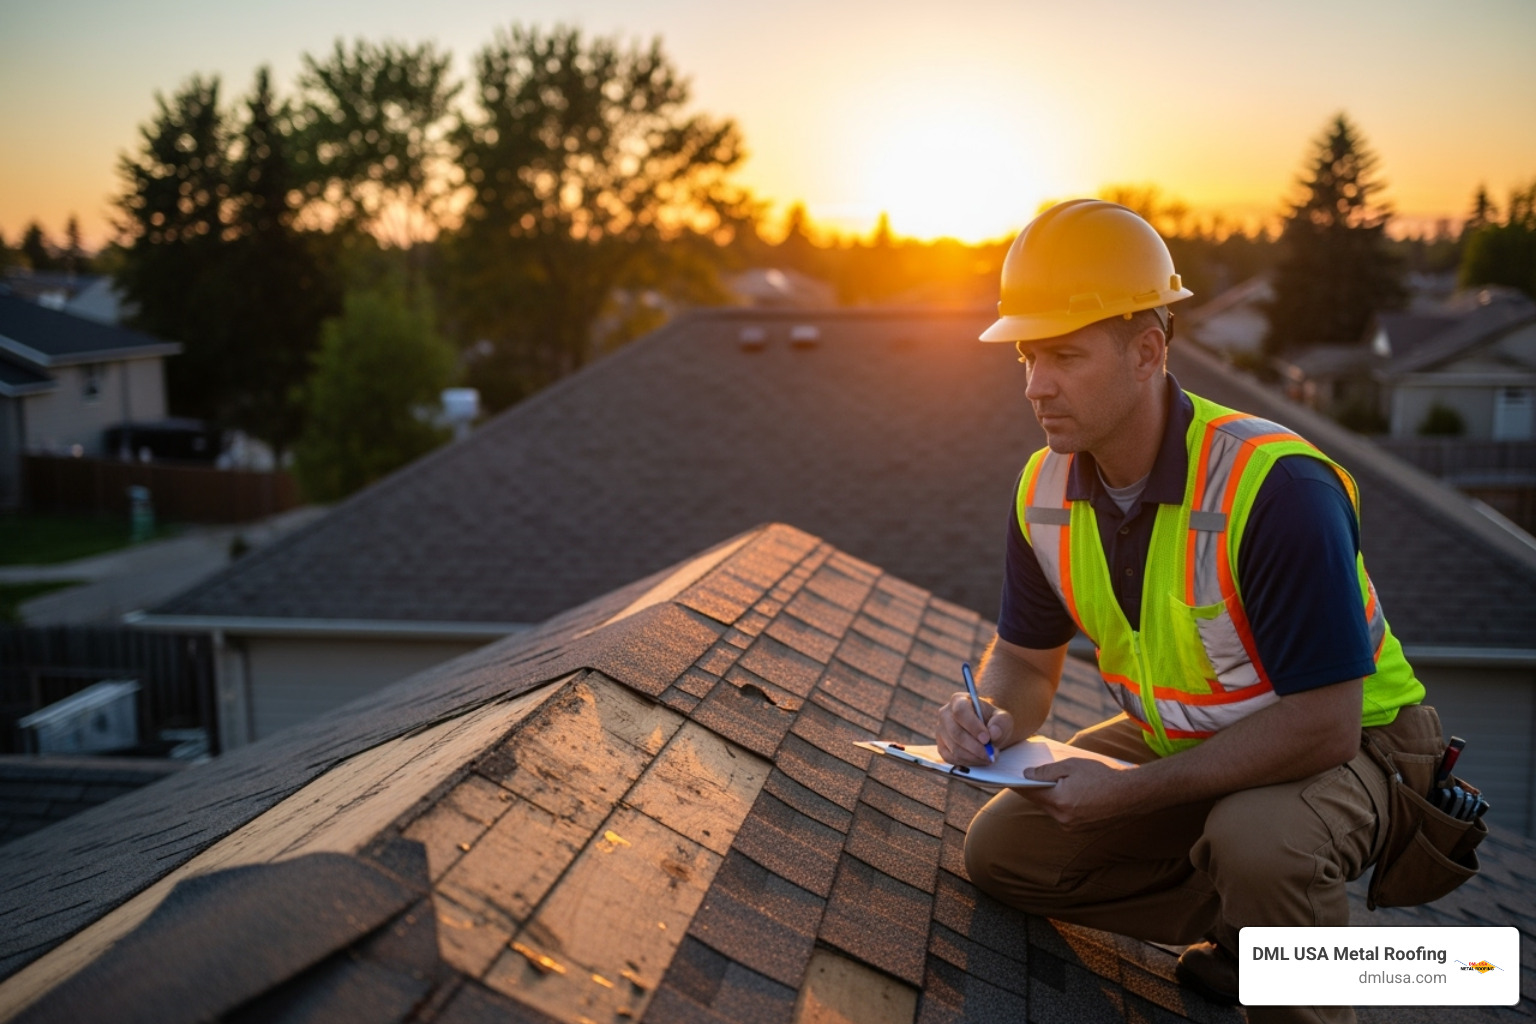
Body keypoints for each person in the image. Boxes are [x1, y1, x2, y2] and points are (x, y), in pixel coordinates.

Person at [935, 199, 1437, 1024]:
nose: (1035, 385)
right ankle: (1259, 933)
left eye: (1063, 354)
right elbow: (1026, 663)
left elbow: (1325, 725)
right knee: (1004, 855)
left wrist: (1128, 797)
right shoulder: (1045, 490)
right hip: (1197, 742)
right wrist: (990, 713)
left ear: (1148, 351)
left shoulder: (1276, 489)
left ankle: (1291, 959)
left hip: (1360, 749)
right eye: (1026, 356)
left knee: (1261, 846)